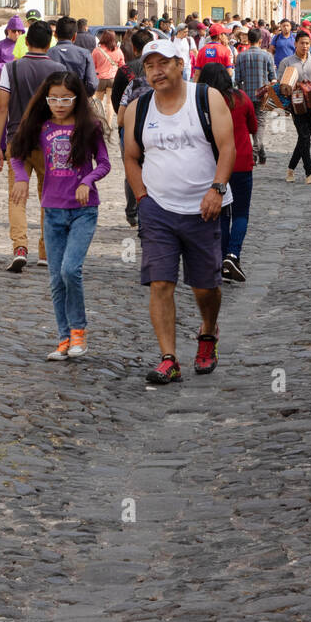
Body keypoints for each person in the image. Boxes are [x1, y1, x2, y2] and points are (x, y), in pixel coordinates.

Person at [123, 38, 236, 385]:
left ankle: (207, 331)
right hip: (158, 208)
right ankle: (168, 358)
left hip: (205, 208)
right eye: (150, 66)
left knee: (206, 288)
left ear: (180, 64)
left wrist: (217, 189)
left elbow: (227, 146)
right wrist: (142, 197)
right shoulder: (137, 109)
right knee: (160, 283)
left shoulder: (206, 98)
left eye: (164, 63)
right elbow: (129, 155)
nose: (157, 72)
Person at [9, 71, 110, 360]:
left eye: (66, 99)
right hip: (51, 211)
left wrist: (86, 181)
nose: (59, 104)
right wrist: (21, 178)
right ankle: (64, 339)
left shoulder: (88, 126)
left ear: (77, 99)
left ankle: (79, 333)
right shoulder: (40, 127)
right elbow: (17, 154)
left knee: (70, 270)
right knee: (55, 279)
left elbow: (103, 163)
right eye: (53, 98)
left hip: (83, 211)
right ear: (46, 99)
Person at [0, 20, 65, 272]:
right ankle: (46, 251)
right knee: (49, 197)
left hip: (18, 140)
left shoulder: (11, 69)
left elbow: (2, 107)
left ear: (26, 42)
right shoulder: (58, 70)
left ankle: (20, 248)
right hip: (51, 141)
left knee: (17, 198)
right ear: (50, 43)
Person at [197, 64, 256, 284]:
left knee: (221, 213)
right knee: (241, 213)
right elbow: (253, 126)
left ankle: (222, 259)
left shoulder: (202, 102)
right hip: (241, 163)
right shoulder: (241, 98)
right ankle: (233, 255)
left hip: (215, 165)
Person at [111, 27, 155, 228]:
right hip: (154, 127)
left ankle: (132, 211)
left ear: (134, 48)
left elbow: (116, 100)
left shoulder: (125, 71)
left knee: (131, 167)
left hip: (128, 128)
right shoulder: (158, 72)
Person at [279, 28, 311, 184]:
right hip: (295, 105)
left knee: (305, 138)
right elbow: (280, 85)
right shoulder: (287, 62)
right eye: (302, 43)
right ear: (295, 43)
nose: (305, 46)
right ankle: (309, 173)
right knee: (305, 137)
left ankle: (290, 168)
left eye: (308, 44)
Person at [234, 27, 276, 166]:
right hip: (263, 96)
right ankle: (255, 153)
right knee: (261, 124)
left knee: (251, 124)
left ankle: (261, 152)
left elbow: (237, 79)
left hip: (245, 96)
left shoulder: (241, 56)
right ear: (260, 40)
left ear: (249, 39)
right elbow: (273, 78)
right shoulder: (267, 56)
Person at [90, 29, 125, 136]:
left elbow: (93, 65)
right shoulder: (118, 51)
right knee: (109, 103)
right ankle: (109, 124)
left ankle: (99, 123)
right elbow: (122, 66)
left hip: (100, 78)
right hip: (113, 79)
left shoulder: (97, 51)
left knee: (98, 102)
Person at [51, 17, 97, 94]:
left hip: (54, 100)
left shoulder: (48, 53)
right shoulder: (85, 54)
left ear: (55, 34)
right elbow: (92, 84)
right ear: (75, 36)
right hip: (77, 98)